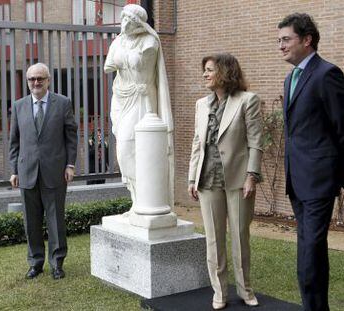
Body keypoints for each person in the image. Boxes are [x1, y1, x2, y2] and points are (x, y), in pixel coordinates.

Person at [277, 13, 344, 311]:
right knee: (311, 253)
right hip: (297, 180)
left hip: (319, 180)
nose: (280, 46)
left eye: (286, 39)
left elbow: (342, 128)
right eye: (279, 40)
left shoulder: (327, 74)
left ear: (307, 40)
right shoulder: (290, 77)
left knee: (309, 253)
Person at [188, 53, 262, 309]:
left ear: (225, 72)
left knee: (240, 237)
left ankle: (245, 290)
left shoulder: (247, 100)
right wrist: (191, 177)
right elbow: (197, 143)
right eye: (204, 70)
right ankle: (219, 291)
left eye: (209, 70)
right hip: (207, 180)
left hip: (239, 180)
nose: (205, 75)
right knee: (213, 239)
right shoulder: (201, 104)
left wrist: (252, 176)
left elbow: (255, 141)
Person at [9, 63, 77, 280]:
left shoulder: (63, 103)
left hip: (55, 172)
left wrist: (70, 165)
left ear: (48, 80)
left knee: (56, 219)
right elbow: (14, 142)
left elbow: (71, 138)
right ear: (27, 81)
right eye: (32, 79)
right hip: (26, 172)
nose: (36, 83)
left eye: (40, 78)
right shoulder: (19, 106)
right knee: (31, 221)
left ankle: (57, 263)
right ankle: (35, 263)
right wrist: (14, 170)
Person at [104, 4, 174, 208]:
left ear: (138, 23)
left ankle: (149, 198)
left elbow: (140, 67)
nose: (125, 23)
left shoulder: (150, 42)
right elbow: (108, 66)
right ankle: (137, 201)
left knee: (130, 148)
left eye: (129, 20)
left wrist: (123, 59)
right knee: (125, 148)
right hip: (121, 98)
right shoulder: (118, 41)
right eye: (123, 18)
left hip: (141, 98)